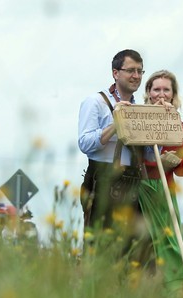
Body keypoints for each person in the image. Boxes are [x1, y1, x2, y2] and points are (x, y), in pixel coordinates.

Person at [78, 49, 145, 248]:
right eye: (131, 70)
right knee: (100, 247)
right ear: (115, 73)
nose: (136, 76)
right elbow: (84, 143)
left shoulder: (139, 108)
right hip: (103, 179)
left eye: (140, 71)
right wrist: (117, 122)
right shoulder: (96, 102)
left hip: (132, 182)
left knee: (129, 251)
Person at [138, 70, 183, 298]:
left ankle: (171, 292)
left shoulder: (178, 126)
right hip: (140, 188)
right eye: (156, 89)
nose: (161, 94)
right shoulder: (136, 119)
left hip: (164, 190)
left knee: (169, 241)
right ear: (148, 93)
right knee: (143, 242)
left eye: (166, 90)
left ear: (173, 95)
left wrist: (175, 161)